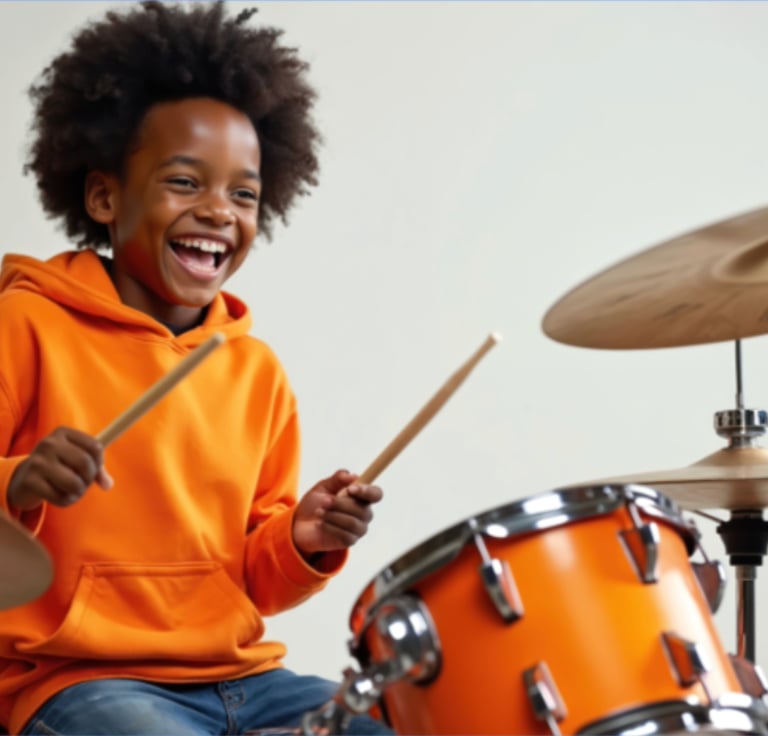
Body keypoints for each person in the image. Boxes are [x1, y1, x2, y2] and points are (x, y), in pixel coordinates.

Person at [0, 3, 391, 734]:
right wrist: (17, 481)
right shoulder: (24, 326)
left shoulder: (254, 370)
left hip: (244, 677)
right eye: (186, 183)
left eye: (243, 193)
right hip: (81, 682)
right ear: (103, 196)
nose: (219, 211)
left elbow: (254, 579)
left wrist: (302, 538)